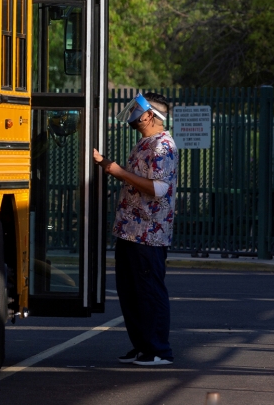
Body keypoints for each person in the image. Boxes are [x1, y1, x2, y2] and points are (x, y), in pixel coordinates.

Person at [92, 92, 178, 366]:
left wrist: (117, 171)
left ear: (149, 115)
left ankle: (158, 350)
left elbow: (159, 188)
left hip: (149, 234)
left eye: (136, 110)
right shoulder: (145, 143)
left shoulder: (162, 146)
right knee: (131, 292)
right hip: (130, 230)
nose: (131, 114)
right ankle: (142, 346)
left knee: (149, 291)